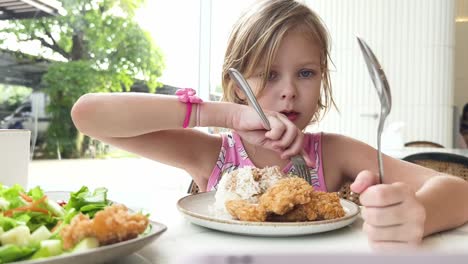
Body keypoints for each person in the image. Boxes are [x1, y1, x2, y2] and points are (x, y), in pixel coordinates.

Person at [71, 0, 468, 251]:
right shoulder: (212, 156)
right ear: (238, 88)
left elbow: (459, 191)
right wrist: (222, 114)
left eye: (306, 73)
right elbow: (88, 115)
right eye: (267, 74)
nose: (289, 92)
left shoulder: (332, 152)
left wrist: (420, 213)